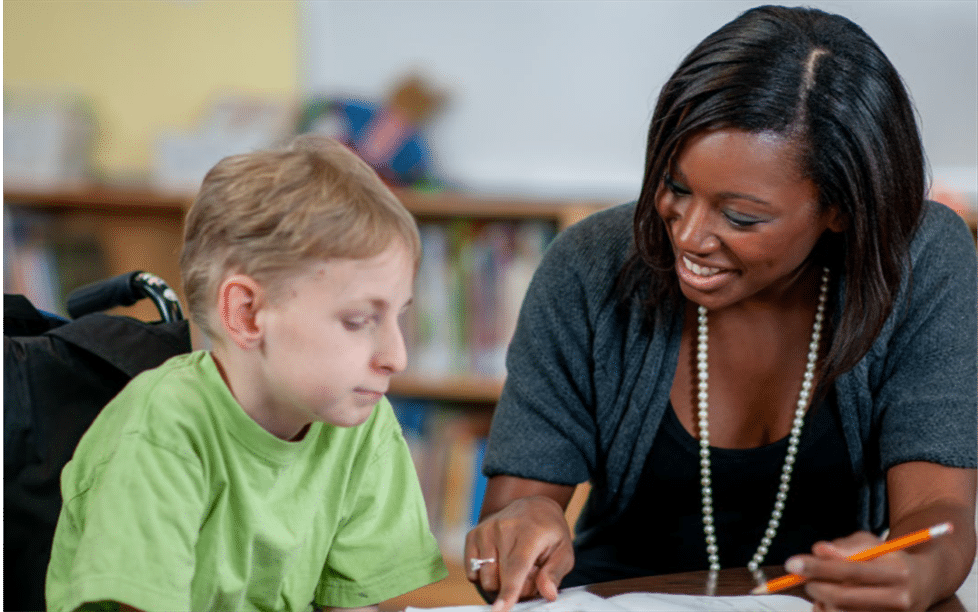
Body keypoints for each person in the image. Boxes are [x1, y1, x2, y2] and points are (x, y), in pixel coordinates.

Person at [465, 5, 977, 612]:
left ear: (840, 209)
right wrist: (516, 531)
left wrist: (915, 573)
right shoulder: (588, 266)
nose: (688, 235)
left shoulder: (920, 262)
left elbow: (939, 517)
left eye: (741, 217)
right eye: (675, 187)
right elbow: (511, 514)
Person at [46, 135, 448, 611]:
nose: (396, 357)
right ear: (248, 313)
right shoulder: (167, 428)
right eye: (360, 321)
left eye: (399, 316)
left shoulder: (362, 428)